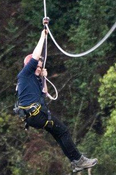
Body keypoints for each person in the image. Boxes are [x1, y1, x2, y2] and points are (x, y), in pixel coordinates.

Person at [17, 26, 97, 173]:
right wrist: (43, 36)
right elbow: (35, 56)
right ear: (30, 66)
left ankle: (75, 160)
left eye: (40, 67)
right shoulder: (25, 74)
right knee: (64, 131)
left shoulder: (33, 79)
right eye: (38, 67)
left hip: (35, 116)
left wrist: (43, 77)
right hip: (37, 114)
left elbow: (46, 92)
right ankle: (79, 160)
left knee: (59, 134)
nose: (39, 68)